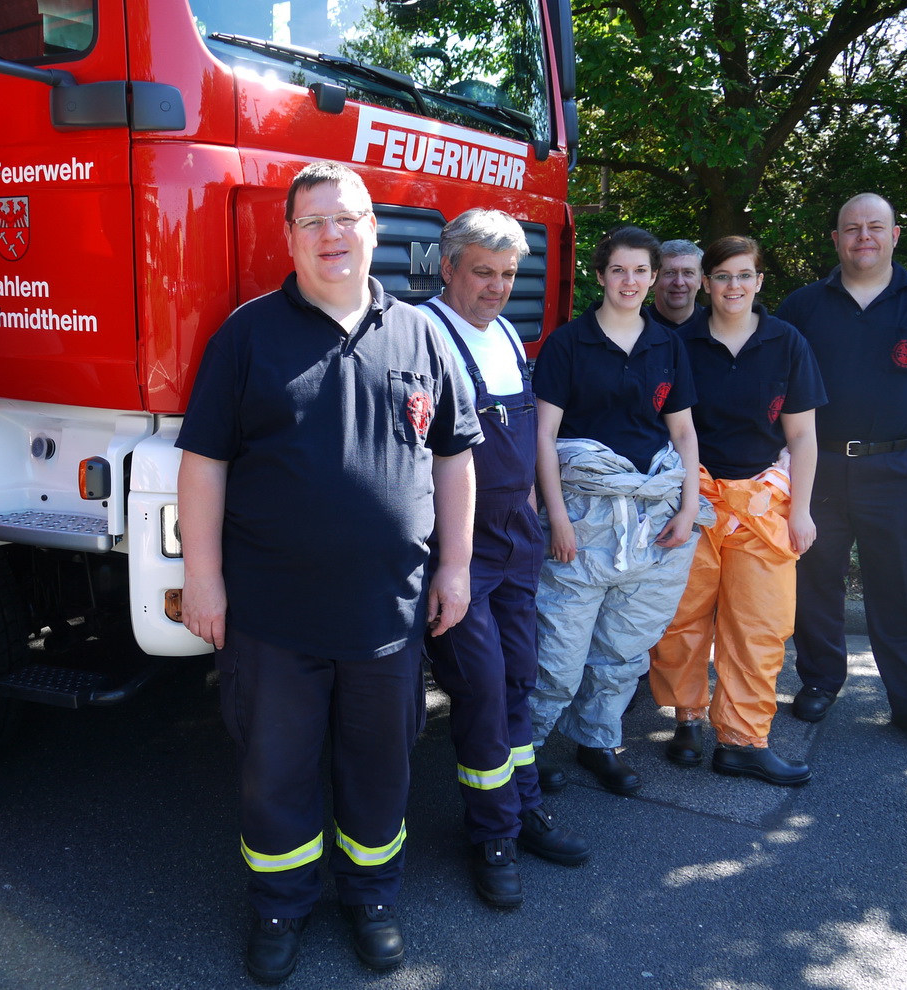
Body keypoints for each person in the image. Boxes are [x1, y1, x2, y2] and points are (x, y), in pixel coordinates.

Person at [176, 161, 480, 984]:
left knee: (380, 768)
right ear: (289, 238)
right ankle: (280, 906)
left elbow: (454, 459)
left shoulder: (423, 334)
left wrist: (456, 567)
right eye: (312, 222)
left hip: (388, 612)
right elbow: (203, 464)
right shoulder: (247, 336)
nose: (331, 235)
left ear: (373, 229)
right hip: (273, 617)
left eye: (345, 219)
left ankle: (372, 899)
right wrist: (202, 577)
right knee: (274, 772)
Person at [418, 209, 589, 911]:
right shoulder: (423, 332)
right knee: (483, 688)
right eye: (482, 272)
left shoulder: (509, 335)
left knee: (519, 677)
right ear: (448, 267)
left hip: (517, 534)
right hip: (461, 546)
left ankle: (521, 807)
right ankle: (492, 835)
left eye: (508, 275)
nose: (496, 287)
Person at [777, 193, 907, 758]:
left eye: (874, 227)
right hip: (818, 468)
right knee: (815, 585)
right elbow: (775, 384)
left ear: (894, 236)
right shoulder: (803, 306)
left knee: (902, 592)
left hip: (895, 470)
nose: (863, 236)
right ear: (836, 239)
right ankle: (820, 681)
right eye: (851, 228)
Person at [528, 225, 708, 796]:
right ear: (601, 275)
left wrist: (688, 505)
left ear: (654, 278)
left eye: (640, 271)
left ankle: (598, 741)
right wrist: (556, 516)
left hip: (650, 515)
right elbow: (544, 435)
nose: (630, 281)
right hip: (582, 514)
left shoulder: (666, 345)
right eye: (619, 270)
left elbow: (683, 430)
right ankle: (521, 752)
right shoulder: (568, 344)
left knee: (623, 647)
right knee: (557, 649)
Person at [649, 236, 826, 784]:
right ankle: (686, 718)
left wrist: (801, 511)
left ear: (759, 281)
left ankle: (742, 742)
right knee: (682, 617)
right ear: (706, 283)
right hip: (693, 500)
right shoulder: (679, 343)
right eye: (723, 276)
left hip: (761, 504)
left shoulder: (787, 342)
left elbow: (803, 437)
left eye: (744, 275)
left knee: (760, 624)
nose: (733, 286)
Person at [648, 239, 705, 332]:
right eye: (669, 273)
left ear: (701, 280)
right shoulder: (634, 327)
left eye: (688, 273)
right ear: (653, 279)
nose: (679, 283)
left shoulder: (717, 325)